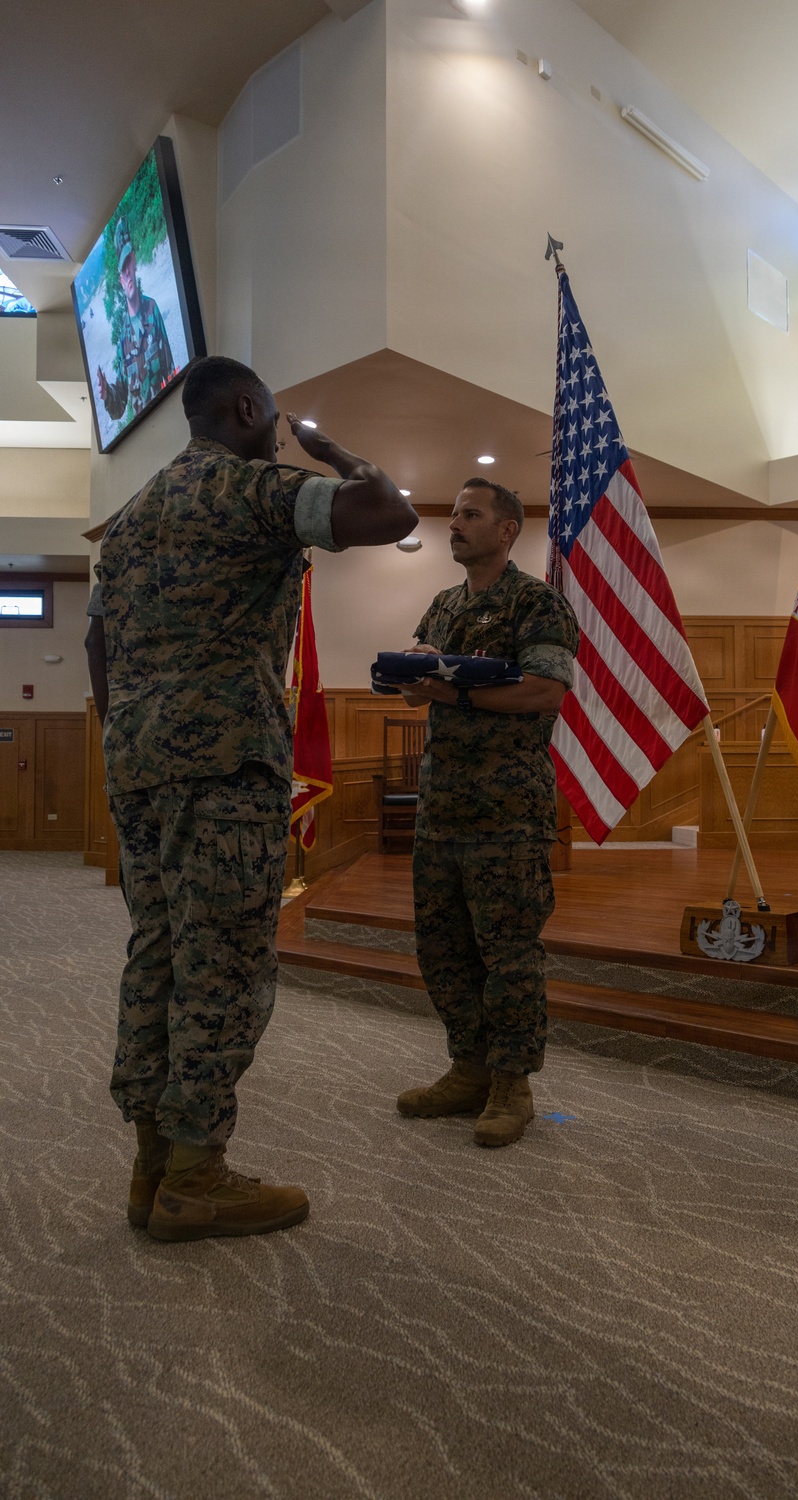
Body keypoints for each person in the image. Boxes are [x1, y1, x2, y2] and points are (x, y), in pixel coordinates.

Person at [85, 354, 417, 1240]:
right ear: (244, 408)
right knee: (224, 957)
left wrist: (136, 732)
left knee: (157, 946)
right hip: (225, 762)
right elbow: (392, 512)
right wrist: (334, 450)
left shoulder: (127, 522)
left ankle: (152, 1162)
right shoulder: (246, 489)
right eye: (270, 418)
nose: (277, 430)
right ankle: (196, 1173)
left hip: (137, 762)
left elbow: (97, 646)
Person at [396, 478, 579, 1147]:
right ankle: (468, 1068)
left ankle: (512, 1084)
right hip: (442, 806)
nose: (454, 524)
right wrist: (416, 676)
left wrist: (453, 692)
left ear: (507, 530)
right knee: (442, 947)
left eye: (470, 515)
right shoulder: (443, 605)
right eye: (452, 515)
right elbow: (420, 698)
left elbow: (543, 691)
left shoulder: (536, 603)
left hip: (507, 807)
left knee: (507, 951)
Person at [95, 218, 174, 423]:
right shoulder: (124, 340)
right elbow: (120, 404)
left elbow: (171, 369)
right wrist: (106, 395)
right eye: (122, 269)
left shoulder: (152, 310)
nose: (128, 273)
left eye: (128, 262)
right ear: (120, 279)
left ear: (134, 261)